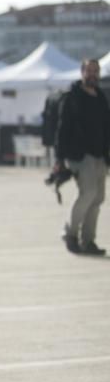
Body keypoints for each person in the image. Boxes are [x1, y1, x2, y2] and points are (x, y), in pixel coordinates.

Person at [55, 58, 110, 256]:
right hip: (79, 154)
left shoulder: (100, 97)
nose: (93, 74)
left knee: (98, 198)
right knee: (88, 193)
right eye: (89, 71)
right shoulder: (73, 97)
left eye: (96, 71)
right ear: (82, 72)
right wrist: (59, 159)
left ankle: (88, 241)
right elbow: (62, 129)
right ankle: (69, 233)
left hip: (99, 156)